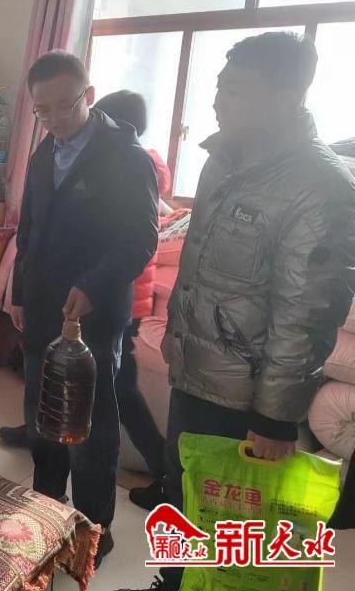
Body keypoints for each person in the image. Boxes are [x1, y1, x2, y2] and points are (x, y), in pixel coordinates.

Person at [119, 32, 355, 591]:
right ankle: (172, 583)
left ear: (286, 98)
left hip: (246, 397)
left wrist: (274, 418)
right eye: (220, 87)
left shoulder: (321, 187)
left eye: (237, 91)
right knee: (184, 498)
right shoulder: (222, 159)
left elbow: (305, 314)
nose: (218, 102)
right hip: (195, 371)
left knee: (233, 532)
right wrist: (176, 341)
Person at [11, 52, 158, 567]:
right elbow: (28, 230)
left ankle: (96, 526)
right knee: (41, 414)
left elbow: (140, 239)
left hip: (93, 313)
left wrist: (94, 286)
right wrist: (19, 292)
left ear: (89, 96)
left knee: (89, 424)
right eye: (42, 110)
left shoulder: (126, 157)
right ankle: (47, 506)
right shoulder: (44, 151)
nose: (52, 119)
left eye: (63, 106)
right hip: (43, 305)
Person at [95, 90, 173, 512]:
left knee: (119, 386)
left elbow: (129, 243)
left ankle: (164, 470)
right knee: (67, 368)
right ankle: (40, 430)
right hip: (123, 292)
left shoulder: (132, 165)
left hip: (123, 295)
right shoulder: (138, 162)